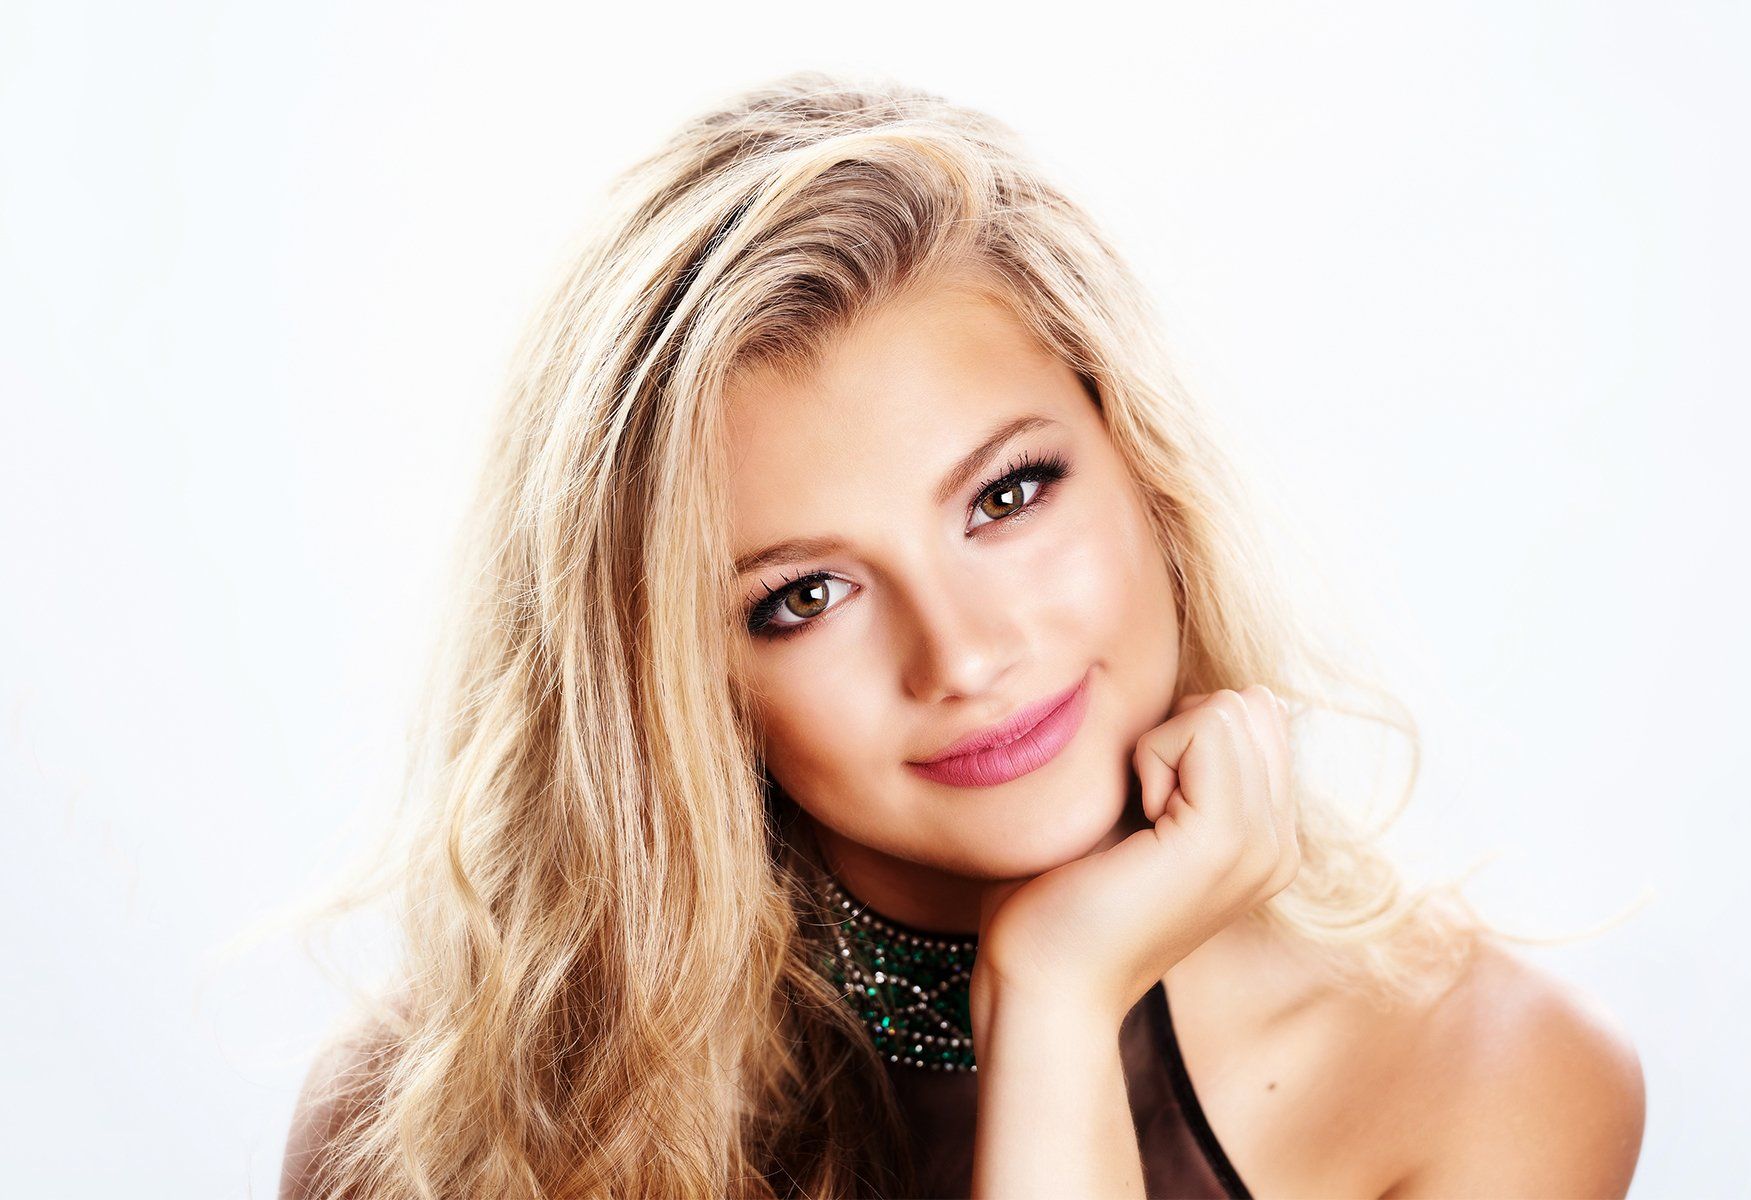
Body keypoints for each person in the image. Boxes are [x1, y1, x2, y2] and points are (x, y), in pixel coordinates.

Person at [279, 71, 1645, 1199]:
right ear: (682, 682)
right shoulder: (446, 1121)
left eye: (1008, 495)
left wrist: (1054, 997)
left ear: (1144, 463)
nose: (965, 654)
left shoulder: (1483, 1078)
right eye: (803, 596)